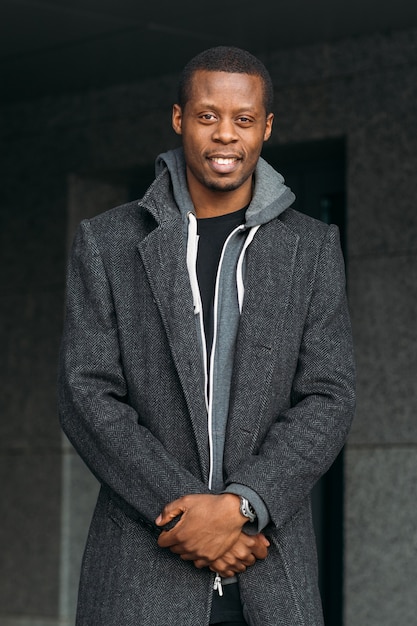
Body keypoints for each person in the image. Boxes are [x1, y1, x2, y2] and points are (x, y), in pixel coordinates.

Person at [58, 46, 356, 626]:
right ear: (178, 118)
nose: (226, 135)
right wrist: (193, 520)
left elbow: (328, 395)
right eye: (207, 116)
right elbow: (87, 393)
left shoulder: (313, 249)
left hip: (272, 570)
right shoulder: (107, 242)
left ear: (266, 128)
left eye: (244, 120)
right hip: (140, 569)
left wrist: (245, 507)